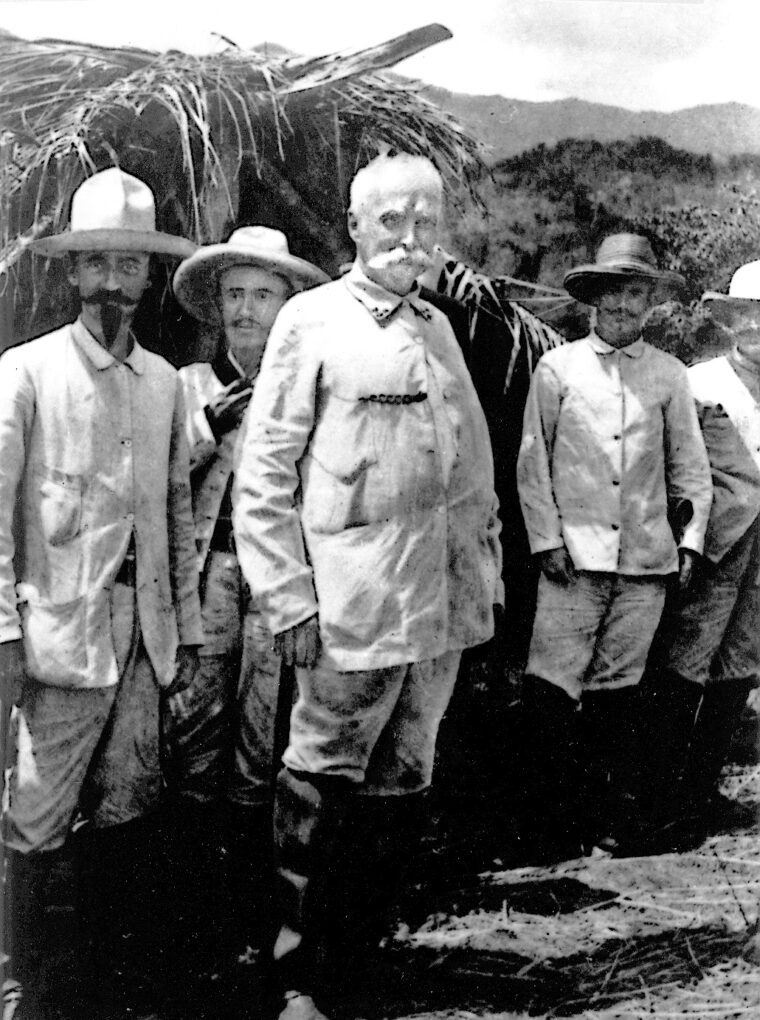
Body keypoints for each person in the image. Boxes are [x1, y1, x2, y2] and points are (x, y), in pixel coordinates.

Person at [232, 152, 503, 1020]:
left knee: (403, 785)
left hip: (441, 610)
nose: (411, 239)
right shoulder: (310, 321)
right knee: (320, 781)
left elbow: (475, 476)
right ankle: (297, 978)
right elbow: (265, 474)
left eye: (427, 222)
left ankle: (361, 960)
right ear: (355, 226)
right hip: (349, 608)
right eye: (392, 220)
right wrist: (290, 601)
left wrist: (483, 583)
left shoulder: (440, 328)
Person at [0, 167, 203, 1020]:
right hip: (57, 636)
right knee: (35, 817)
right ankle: (26, 983)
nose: (113, 282)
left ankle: (109, 984)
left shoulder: (162, 383)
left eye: (131, 266)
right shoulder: (26, 373)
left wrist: (183, 633)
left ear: (150, 277)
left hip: (142, 632)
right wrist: (4, 631)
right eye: (97, 265)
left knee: (128, 805)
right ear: (71, 273)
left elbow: (178, 518)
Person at [516, 233, 713, 859]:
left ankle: (601, 819)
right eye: (613, 291)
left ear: (651, 302)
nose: (624, 304)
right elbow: (532, 462)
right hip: (571, 560)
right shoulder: (559, 369)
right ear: (593, 297)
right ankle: (544, 828)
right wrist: (546, 540)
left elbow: (690, 468)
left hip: (644, 563)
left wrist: (689, 545)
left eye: (637, 292)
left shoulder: (668, 375)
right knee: (552, 688)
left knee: (617, 692)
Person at [168, 228, 327, 966]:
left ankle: (254, 919)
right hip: (209, 577)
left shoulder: (310, 386)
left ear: (288, 306)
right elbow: (161, 478)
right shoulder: (189, 388)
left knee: (264, 738)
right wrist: (214, 424)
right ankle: (196, 915)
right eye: (234, 295)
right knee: (196, 727)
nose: (246, 311)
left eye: (262, 296)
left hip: (278, 584)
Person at [644, 260, 760, 845]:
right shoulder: (701, 382)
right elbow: (676, 469)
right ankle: (660, 794)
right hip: (714, 543)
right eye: (747, 317)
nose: (757, 329)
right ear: (730, 320)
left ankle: (700, 787)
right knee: (690, 652)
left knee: (742, 658)